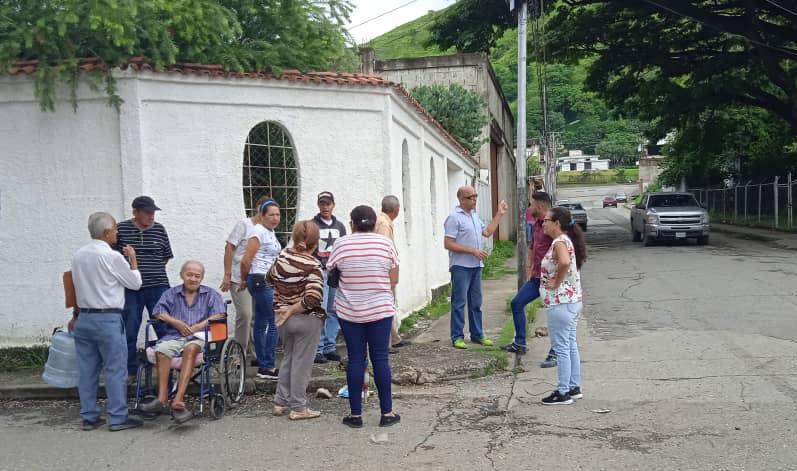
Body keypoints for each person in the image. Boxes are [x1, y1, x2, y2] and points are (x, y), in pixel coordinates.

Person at [69, 212, 143, 431]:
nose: (117, 233)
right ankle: (118, 417)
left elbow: (74, 287)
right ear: (106, 232)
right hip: (108, 318)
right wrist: (132, 258)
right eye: (115, 229)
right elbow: (134, 283)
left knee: (87, 370)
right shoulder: (112, 256)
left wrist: (74, 315)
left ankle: (89, 416)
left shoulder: (78, 255)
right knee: (114, 369)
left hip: (84, 318)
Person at [329, 205, 401, 428]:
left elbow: (331, 273)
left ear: (352, 223)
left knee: (356, 359)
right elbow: (394, 277)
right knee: (380, 358)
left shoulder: (341, 244)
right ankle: (387, 413)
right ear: (373, 223)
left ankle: (356, 415)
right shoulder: (385, 244)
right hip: (380, 309)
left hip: (350, 311)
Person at [138, 261, 226, 422]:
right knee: (162, 350)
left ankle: (178, 399)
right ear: (182, 275)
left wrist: (200, 325)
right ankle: (162, 398)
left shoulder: (210, 294)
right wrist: (176, 322)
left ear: (202, 278)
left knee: (190, 349)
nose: (193, 278)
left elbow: (220, 314)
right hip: (174, 336)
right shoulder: (171, 293)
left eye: (197, 276)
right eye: (189, 274)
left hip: (199, 337)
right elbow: (158, 312)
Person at [267, 221, 325, 420]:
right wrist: (292, 309)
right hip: (305, 319)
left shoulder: (282, 256)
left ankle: (279, 402)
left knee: (288, 359)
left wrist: (285, 305)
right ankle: (298, 407)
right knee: (302, 364)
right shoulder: (313, 265)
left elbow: (269, 278)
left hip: (282, 318)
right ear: (315, 242)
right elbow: (313, 298)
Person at [443, 186, 508, 349]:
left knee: (476, 302)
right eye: (471, 197)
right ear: (461, 199)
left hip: (476, 266)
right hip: (461, 266)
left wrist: (499, 214)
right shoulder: (454, 217)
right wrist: (472, 250)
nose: (475, 199)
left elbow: (486, 232)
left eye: (476, 196)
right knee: (459, 302)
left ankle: (477, 334)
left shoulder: (474, 215)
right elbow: (448, 243)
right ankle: (457, 336)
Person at [116, 195, 174, 376]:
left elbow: (165, 256)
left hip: (158, 286)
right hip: (132, 289)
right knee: (130, 327)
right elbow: (115, 259)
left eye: (153, 212)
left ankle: (169, 366)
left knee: (164, 326)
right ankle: (130, 370)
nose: (152, 216)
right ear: (135, 212)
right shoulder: (121, 229)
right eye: (148, 213)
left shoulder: (159, 230)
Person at [539, 206, 587, 405]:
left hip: (561, 302)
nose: (543, 223)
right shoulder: (565, 240)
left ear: (557, 223)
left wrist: (555, 282)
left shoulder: (559, 241)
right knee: (569, 345)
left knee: (561, 348)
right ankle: (573, 387)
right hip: (571, 301)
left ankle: (563, 391)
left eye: (546, 221)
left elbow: (565, 263)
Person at [502, 192, 554, 357]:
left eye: (531, 205)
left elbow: (564, 249)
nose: (530, 208)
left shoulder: (554, 223)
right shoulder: (538, 224)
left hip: (551, 279)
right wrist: (530, 267)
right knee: (517, 303)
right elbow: (533, 245)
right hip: (536, 277)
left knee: (554, 314)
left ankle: (556, 350)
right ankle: (520, 343)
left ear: (539, 206)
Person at [221, 195, 269, 361]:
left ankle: (256, 353)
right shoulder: (244, 224)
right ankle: (238, 353)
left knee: (258, 316)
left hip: (259, 278)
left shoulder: (268, 229)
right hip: (239, 277)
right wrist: (227, 275)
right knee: (245, 314)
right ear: (258, 208)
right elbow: (229, 247)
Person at [240, 199, 283, 379]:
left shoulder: (269, 232)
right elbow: (246, 260)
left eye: (278, 215)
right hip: (259, 279)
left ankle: (263, 362)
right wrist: (244, 279)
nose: (275, 218)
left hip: (266, 279)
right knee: (274, 320)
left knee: (261, 322)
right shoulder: (258, 231)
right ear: (262, 216)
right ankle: (268, 366)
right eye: (271, 215)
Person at [312, 191, 348, 364]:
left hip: (336, 272)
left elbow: (343, 248)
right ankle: (317, 348)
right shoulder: (312, 225)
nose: (325, 207)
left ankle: (329, 346)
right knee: (321, 310)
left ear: (333, 204)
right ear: (318, 205)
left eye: (328, 204)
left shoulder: (340, 226)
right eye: (322, 204)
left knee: (334, 310)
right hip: (320, 272)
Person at [374, 195, 408, 349]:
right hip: (385, 273)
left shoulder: (383, 221)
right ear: (396, 209)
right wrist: (391, 276)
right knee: (387, 305)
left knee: (389, 305)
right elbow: (385, 250)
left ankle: (394, 338)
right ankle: (387, 343)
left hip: (385, 272)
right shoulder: (384, 225)